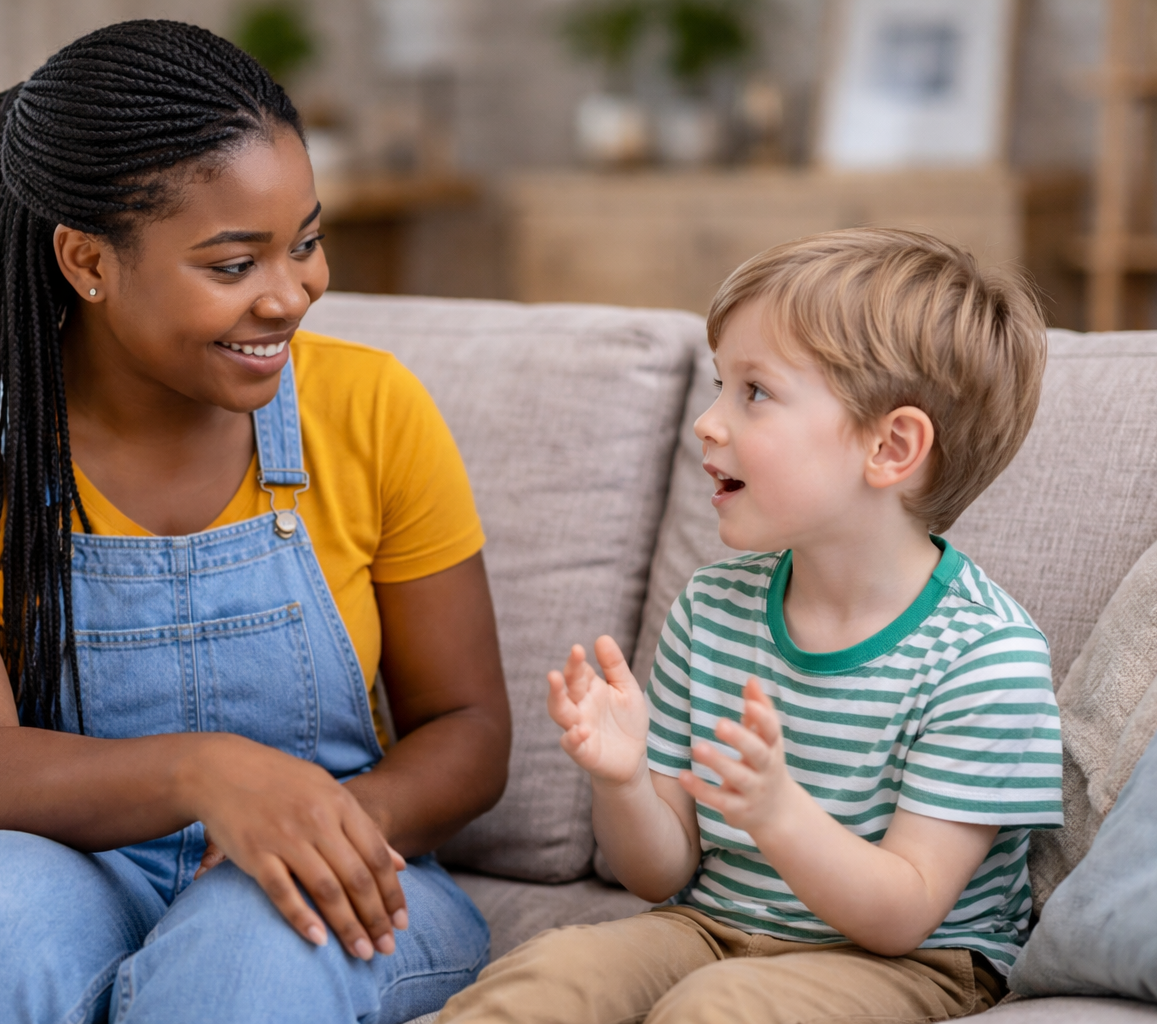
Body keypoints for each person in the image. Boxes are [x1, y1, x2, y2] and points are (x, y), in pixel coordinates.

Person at [0, 20, 509, 1024]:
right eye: (233, 266)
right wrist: (207, 771)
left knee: (250, 950)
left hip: (326, 862)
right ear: (88, 260)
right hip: (45, 859)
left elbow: (469, 727)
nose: (291, 295)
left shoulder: (375, 408)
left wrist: (325, 824)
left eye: (306, 243)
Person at [439, 228, 1063, 1024]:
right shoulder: (712, 610)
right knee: (549, 975)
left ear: (891, 445)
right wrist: (623, 781)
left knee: (717, 1009)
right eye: (718, 385)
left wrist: (778, 814)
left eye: (754, 392)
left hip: (908, 964)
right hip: (715, 927)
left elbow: (903, 912)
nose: (708, 422)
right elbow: (659, 875)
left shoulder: (985, 657)